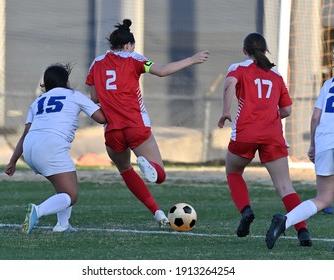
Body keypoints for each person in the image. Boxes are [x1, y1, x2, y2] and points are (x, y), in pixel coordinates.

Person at [86, 19, 209, 227]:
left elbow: (94, 98)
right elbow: (161, 70)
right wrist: (192, 59)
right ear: (128, 46)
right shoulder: (134, 58)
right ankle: (147, 164)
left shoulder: (97, 63)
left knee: (125, 169)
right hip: (135, 125)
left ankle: (157, 213)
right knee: (159, 176)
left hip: (112, 130)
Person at [217, 32, 312, 246]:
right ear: (265, 51)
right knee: (285, 187)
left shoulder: (238, 68)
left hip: (246, 132)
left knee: (233, 171)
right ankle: (303, 232)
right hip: (272, 134)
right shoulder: (276, 75)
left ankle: (246, 210)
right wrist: (269, 113)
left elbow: (229, 85)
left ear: (244, 51)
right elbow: (287, 109)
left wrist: (225, 111)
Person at [4, 63, 106, 234]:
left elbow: (25, 134)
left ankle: (62, 225)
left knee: (64, 187)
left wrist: (12, 161)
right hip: (50, 146)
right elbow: (102, 118)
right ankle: (38, 210)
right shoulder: (74, 95)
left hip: (29, 147)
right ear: (66, 82)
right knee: (70, 196)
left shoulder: (38, 101)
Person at [266, 75, 334, 249]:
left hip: (324, 142)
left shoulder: (328, 84)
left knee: (323, 199)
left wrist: (313, 145)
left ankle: (285, 221)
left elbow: (315, 118)